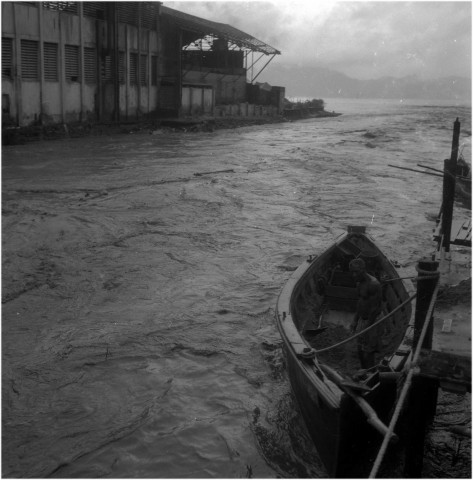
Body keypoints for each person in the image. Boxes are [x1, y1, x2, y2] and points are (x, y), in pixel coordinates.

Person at [349, 258, 383, 369]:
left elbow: (374, 309)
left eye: (356, 272)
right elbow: (360, 302)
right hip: (362, 319)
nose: (354, 275)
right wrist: (355, 320)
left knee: (369, 351)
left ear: (363, 270)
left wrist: (366, 328)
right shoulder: (359, 282)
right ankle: (364, 370)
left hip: (373, 321)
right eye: (352, 272)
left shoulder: (374, 284)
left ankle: (370, 373)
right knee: (359, 347)